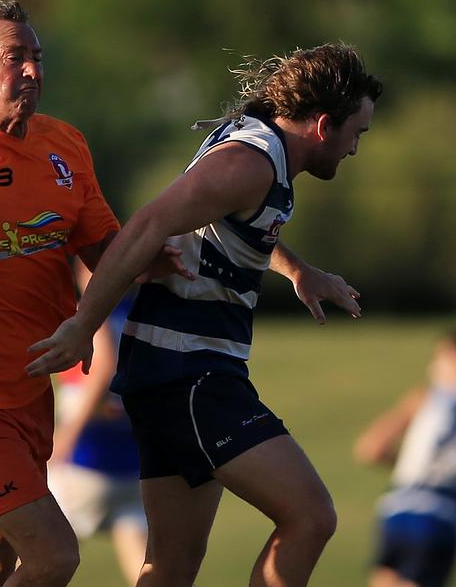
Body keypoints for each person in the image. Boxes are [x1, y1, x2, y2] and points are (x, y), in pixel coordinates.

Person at [29, 44, 382, 586]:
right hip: (189, 372)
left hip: (174, 372)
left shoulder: (264, 157)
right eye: (357, 133)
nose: (356, 148)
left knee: (171, 566)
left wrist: (296, 270)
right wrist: (84, 323)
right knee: (310, 516)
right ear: (324, 125)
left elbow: (237, 225)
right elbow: (147, 224)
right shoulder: (250, 162)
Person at [0, 0, 171, 587]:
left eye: (37, 58)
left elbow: (104, 251)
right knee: (55, 556)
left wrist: (159, 259)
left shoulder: (65, 144)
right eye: (14, 58)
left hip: (28, 393)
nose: (32, 71)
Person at [49, 261, 146, 586]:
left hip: (87, 459)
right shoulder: (140, 313)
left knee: (38, 558)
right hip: (135, 460)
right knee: (144, 568)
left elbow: (104, 367)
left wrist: (66, 439)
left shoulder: (92, 314)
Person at [355, 332, 456, 587]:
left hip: (396, 509)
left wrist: (410, 468)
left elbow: (371, 449)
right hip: (439, 516)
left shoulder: (423, 398)